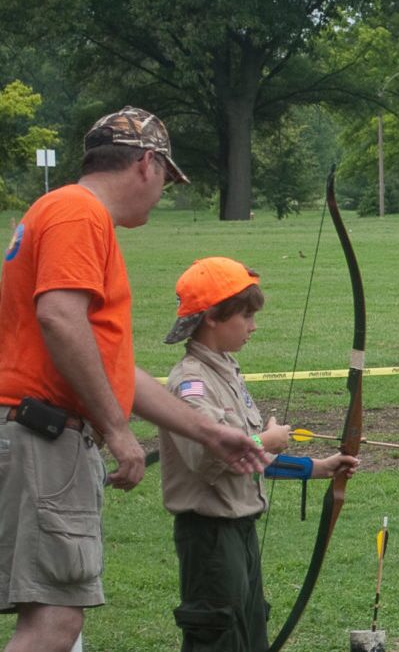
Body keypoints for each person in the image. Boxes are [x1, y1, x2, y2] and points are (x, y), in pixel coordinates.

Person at [0, 107, 271, 651]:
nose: (163, 193)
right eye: (167, 180)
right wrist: (115, 429)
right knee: (54, 620)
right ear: (147, 163)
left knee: (49, 614)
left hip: (29, 432)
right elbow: (59, 317)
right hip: (43, 437)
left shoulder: (57, 211)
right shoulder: (80, 214)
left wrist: (208, 432)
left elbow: (115, 370)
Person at [157, 257, 358, 651]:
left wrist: (316, 468)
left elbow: (246, 456)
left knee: (250, 634)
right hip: (210, 535)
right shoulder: (192, 383)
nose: (253, 326)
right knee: (218, 637)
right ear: (213, 317)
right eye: (245, 316)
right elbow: (208, 456)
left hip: (239, 531)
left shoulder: (227, 370)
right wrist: (267, 441)